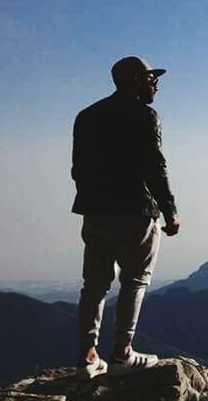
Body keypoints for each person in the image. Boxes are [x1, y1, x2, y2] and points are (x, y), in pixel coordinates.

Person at [71, 56, 180, 379]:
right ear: (134, 81)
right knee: (134, 280)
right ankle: (122, 354)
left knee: (94, 283)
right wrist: (170, 210)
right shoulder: (145, 116)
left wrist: (94, 198)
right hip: (136, 209)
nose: (155, 85)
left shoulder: (86, 117)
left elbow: (78, 169)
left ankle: (88, 357)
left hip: (94, 210)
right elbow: (154, 166)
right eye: (150, 79)